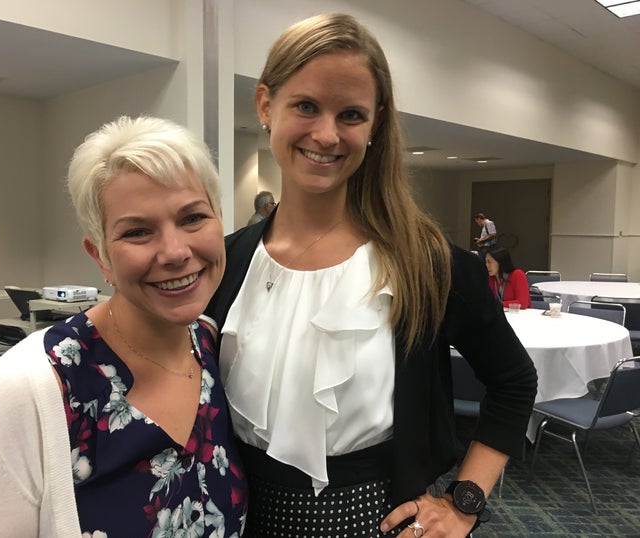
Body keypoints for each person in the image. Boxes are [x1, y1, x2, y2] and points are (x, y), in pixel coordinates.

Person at [206, 13, 537, 538]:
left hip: (375, 519)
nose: (327, 134)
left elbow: (514, 380)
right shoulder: (225, 264)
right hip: (242, 518)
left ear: (376, 124)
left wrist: (464, 502)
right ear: (266, 105)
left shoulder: (424, 263)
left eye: (351, 114)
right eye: (306, 106)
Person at [0, 116, 247, 537]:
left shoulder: (211, 345)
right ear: (100, 256)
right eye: (137, 231)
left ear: (220, 221)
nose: (174, 251)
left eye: (192, 218)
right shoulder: (31, 389)